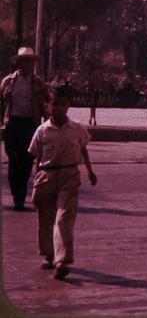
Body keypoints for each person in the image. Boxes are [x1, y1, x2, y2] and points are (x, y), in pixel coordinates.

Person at [28, 88, 97, 280]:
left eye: (63, 104)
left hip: (69, 175)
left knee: (63, 218)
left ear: (68, 106)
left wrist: (90, 171)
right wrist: (36, 180)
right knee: (46, 218)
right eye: (55, 104)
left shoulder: (76, 129)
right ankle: (49, 254)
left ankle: (62, 260)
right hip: (46, 176)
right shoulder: (42, 131)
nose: (59, 108)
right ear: (47, 106)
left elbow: (83, 150)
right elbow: (37, 157)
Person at [0, 47, 47, 211]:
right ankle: (16, 194)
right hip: (12, 123)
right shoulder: (7, 82)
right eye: (25, 61)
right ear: (19, 63)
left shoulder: (39, 83)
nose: (28, 65)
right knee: (13, 160)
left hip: (30, 124)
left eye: (31, 62)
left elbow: (44, 107)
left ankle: (20, 195)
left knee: (27, 161)